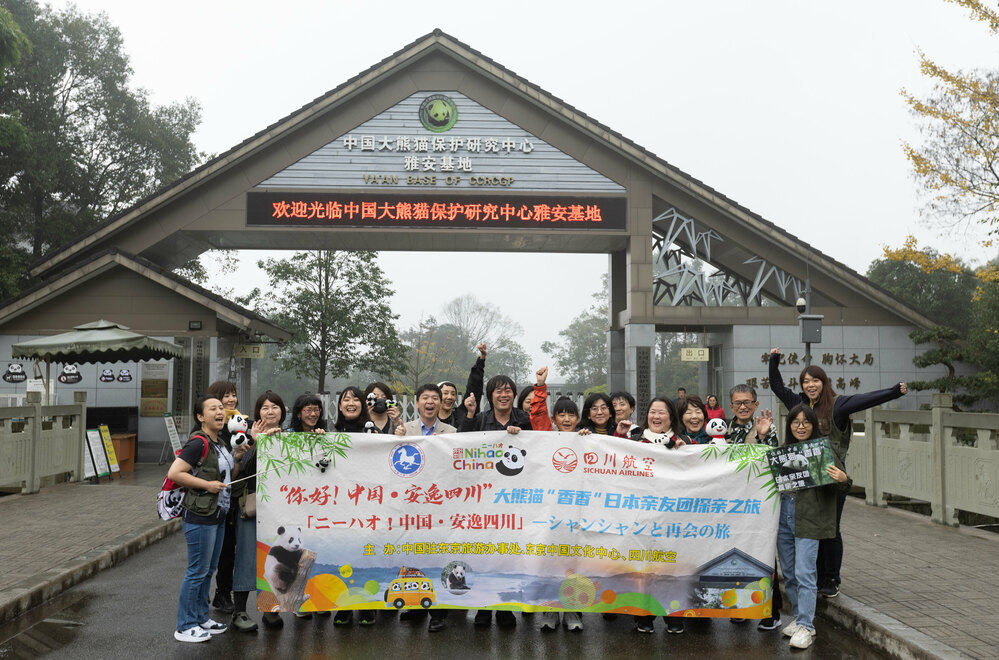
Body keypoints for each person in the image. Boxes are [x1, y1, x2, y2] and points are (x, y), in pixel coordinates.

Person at [769, 348, 907, 598]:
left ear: (824, 382)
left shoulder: (838, 405)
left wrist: (894, 391)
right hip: (804, 478)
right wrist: (774, 361)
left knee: (830, 528)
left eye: (815, 380)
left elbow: (866, 399)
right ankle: (816, 576)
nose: (810, 385)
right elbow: (778, 387)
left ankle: (831, 578)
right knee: (811, 529)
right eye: (806, 381)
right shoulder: (799, 406)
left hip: (832, 476)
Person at [776, 404, 852, 650]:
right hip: (784, 517)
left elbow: (839, 483)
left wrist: (844, 479)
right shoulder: (785, 450)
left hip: (809, 518)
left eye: (806, 421)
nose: (801, 426)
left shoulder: (823, 449)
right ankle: (800, 619)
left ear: (814, 424)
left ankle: (807, 627)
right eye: (795, 422)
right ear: (789, 425)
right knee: (789, 573)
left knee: (805, 573)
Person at [169, 395, 244, 643]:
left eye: (221, 408)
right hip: (199, 515)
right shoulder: (198, 443)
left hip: (217, 515)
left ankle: (201, 618)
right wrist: (206, 485)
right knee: (197, 571)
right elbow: (175, 472)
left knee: (208, 570)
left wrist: (238, 457)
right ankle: (185, 624)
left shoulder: (219, 442)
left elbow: (227, 476)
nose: (220, 412)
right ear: (201, 417)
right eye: (213, 409)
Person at [460, 374, 531, 627]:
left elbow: (537, 449)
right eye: (498, 391)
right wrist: (469, 416)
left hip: (514, 499)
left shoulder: (523, 419)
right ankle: (482, 606)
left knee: (508, 555)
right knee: (483, 554)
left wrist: (520, 435)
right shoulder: (480, 419)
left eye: (508, 390)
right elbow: (461, 444)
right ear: (490, 396)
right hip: (483, 498)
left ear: (514, 394)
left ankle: (504, 607)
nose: (504, 395)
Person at [394, 383, 455, 632]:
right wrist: (395, 441)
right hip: (410, 505)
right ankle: (415, 606)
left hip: (440, 505)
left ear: (441, 404)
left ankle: (439, 613)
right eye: (425, 398)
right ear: (417, 403)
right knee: (413, 555)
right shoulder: (402, 429)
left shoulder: (451, 431)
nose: (430, 402)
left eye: (435, 398)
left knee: (438, 556)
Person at [724, 384, 782, 631]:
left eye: (748, 402)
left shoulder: (766, 425)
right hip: (728, 504)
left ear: (756, 405)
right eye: (738, 403)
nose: (743, 407)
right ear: (731, 406)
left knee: (762, 553)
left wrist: (762, 435)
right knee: (731, 556)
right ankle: (739, 608)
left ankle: (772, 611)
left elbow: (774, 458)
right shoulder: (722, 430)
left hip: (757, 505)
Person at [629, 397, 684, 633]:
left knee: (672, 567)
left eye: (662, 412)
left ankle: (674, 616)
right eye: (653, 412)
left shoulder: (684, 443)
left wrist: (686, 453)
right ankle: (645, 616)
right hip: (641, 515)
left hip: (673, 517)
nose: (657, 416)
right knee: (643, 567)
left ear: (671, 417)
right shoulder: (634, 441)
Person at [205, 380, 241, 615]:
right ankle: (210, 597)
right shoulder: (210, 431)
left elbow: (235, 465)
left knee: (230, 548)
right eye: (225, 396)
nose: (230, 400)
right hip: (211, 500)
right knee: (213, 553)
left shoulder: (240, 423)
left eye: (233, 395)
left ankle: (222, 593)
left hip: (234, 496)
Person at [438, 343, 487, 428]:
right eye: (445, 393)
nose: (449, 397)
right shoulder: (430, 420)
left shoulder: (461, 415)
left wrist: (481, 360)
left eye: (453, 394)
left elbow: (474, 388)